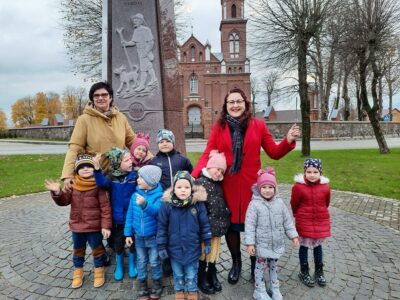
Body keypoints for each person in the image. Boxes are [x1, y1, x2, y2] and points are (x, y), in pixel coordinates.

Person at [192, 87, 299, 284]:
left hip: (252, 185)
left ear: (245, 104)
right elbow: (208, 153)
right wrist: (193, 177)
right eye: (231, 102)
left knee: (255, 226)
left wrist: (288, 140)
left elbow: (273, 152)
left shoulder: (258, 125)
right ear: (226, 106)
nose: (235, 105)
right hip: (229, 184)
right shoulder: (220, 126)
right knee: (231, 226)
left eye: (238, 101)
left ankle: (255, 265)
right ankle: (236, 263)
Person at [44, 154, 112, 289]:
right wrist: (57, 193)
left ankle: (99, 270)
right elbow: (64, 201)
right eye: (82, 167)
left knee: (97, 250)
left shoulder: (98, 185)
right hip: (77, 226)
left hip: (94, 227)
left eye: (89, 166)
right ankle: (78, 271)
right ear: (76, 170)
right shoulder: (72, 185)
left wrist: (106, 226)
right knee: (78, 250)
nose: (86, 169)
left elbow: (105, 207)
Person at [61, 81, 136, 191]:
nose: (100, 98)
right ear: (92, 99)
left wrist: (151, 159)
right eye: (96, 95)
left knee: (118, 206)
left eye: (104, 95)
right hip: (94, 177)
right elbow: (74, 148)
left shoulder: (121, 117)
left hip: (118, 176)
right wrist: (68, 174)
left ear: (110, 97)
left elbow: (133, 141)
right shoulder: (84, 120)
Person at [245, 167, 299, 300]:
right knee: (259, 267)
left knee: (274, 266)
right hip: (261, 244)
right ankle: (259, 289)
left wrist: (293, 235)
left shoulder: (279, 203)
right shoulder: (254, 205)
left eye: (270, 187)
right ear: (259, 188)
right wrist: (250, 243)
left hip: (276, 243)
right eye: (264, 187)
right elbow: (250, 225)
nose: (267, 190)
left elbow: (287, 221)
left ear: (275, 188)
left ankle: (275, 287)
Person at [157, 171, 212, 300]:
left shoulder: (197, 205)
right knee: (178, 273)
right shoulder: (167, 206)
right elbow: (162, 227)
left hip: (192, 248)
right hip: (174, 248)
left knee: (191, 273)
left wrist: (207, 241)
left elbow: (204, 224)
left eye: (187, 187)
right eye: (179, 187)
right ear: (173, 188)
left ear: (191, 188)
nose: (183, 190)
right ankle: (179, 289)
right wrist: (161, 246)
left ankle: (192, 290)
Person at [149, 129, 193, 276]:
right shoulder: (154, 162)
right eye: (161, 141)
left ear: (173, 142)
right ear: (157, 144)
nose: (165, 143)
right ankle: (167, 260)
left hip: (181, 201)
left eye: (167, 141)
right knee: (166, 230)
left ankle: (183, 257)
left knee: (180, 230)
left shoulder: (181, 159)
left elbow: (191, 174)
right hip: (164, 203)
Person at [93, 148, 137, 281]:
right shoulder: (112, 178)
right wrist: (96, 169)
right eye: (126, 160)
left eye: (130, 159)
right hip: (117, 219)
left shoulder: (134, 176)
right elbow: (101, 183)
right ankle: (119, 266)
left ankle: (132, 264)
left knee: (132, 243)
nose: (131, 162)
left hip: (132, 217)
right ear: (117, 163)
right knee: (118, 244)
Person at [124, 165, 164, 300]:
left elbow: (158, 213)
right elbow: (129, 215)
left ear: (151, 181)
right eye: (138, 177)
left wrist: (145, 204)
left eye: (141, 177)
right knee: (141, 261)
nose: (138, 180)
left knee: (154, 261)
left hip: (154, 237)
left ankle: (157, 282)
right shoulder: (135, 195)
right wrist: (128, 234)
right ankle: (142, 283)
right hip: (138, 237)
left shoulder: (160, 196)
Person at [194, 150, 231, 295]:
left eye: (222, 171)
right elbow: (198, 208)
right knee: (204, 252)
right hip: (205, 227)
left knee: (214, 252)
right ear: (209, 167)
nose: (219, 173)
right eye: (217, 169)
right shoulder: (200, 182)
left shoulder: (217, 184)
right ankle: (202, 276)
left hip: (217, 226)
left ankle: (212, 273)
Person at [291, 158, 330, 288]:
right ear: (304, 172)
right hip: (304, 221)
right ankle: (304, 271)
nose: (312, 175)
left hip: (320, 221)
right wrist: (297, 215)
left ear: (320, 172)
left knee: (318, 247)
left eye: (315, 172)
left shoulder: (325, 187)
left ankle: (319, 271)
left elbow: (326, 202)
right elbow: (294, 204)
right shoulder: (298, 187)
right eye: (309, 172)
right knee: (304, 247)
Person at [122, 13, 157, 91]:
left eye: (136, 20)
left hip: (145, 52)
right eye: (134, 20)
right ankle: (154, 79)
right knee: (149, 67)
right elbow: (134, 42)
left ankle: (142, 85)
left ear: (141, 21)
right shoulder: (136, 30)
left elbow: (151, 42)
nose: (134, 22)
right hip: (140, 52)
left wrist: (146, 51)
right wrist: (126, 43)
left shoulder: (146, 30)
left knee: (143, 69)